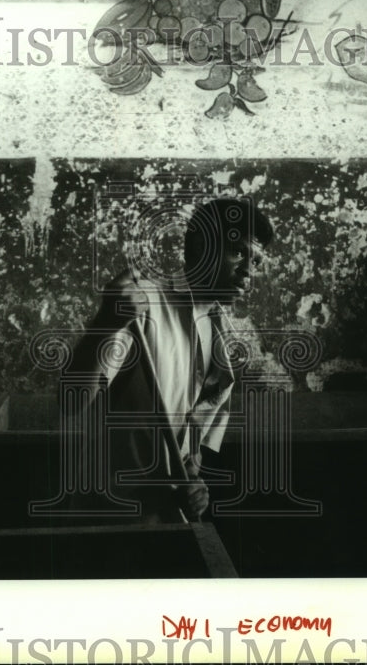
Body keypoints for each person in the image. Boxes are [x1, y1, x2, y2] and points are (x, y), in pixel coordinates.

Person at [63, 197, 273, 524]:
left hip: (170, 518)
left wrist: (193, 481)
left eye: (257, 261)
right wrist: (105, 322)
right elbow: (71, 401)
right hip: (110, 518)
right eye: (240, 252)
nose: (249, 270)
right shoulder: (144, 305)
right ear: (204, 244)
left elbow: (193, 441)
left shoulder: (223, 340)